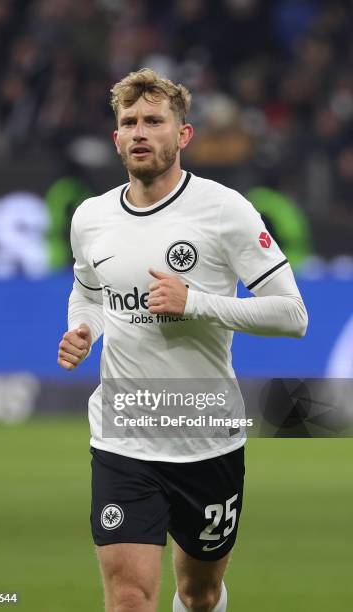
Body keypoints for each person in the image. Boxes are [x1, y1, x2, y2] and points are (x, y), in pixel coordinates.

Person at [57, 68, 308, 612]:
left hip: (206, 436)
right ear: (116, 137)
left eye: (154, 120)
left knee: (199, 593)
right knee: (129, 598)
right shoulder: (91, 218)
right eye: (129, 122)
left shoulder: (225, 211)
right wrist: (84, 330)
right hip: (123, 436)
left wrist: (195, 302)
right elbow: (90, 293)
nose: (140, 131)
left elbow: (293, 315)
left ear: (183, 135)